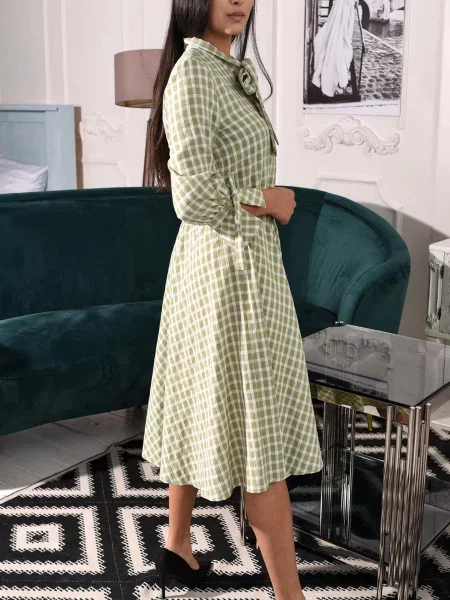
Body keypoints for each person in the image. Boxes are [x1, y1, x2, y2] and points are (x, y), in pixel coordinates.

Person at [142, 1, 323, 599]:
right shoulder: (194, 75)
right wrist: (269, 200)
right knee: (256, 433)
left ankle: (176, 546)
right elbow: (192, 198)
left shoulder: (224, 70)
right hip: (226, 272)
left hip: (239, 265)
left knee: (206, 403)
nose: (239, 0)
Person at [312, 0, 357, 97]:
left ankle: (336, 82)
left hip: (345, 8)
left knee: (340, 43)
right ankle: (335, 82)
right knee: (337, 43)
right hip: (343, 10)